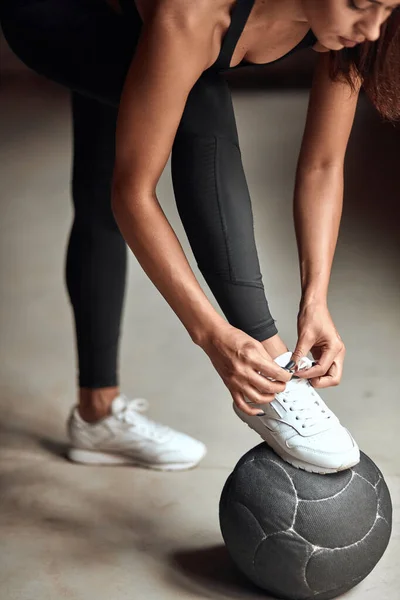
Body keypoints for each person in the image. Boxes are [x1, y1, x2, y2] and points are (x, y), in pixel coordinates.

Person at [1, 0, 399, 474]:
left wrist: (316, 300)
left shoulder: (354, 34)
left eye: (387, 7)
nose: (373, 27)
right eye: (358, 5)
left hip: (128, 13)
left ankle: (97, 416)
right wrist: (213, 336)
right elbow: (133, 194)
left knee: (103, 175)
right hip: (52, 8)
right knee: (199, 100)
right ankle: (274, 376)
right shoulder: (195, 10)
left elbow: (323, 165)